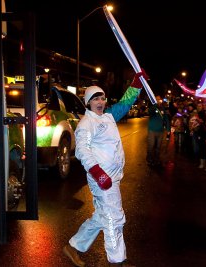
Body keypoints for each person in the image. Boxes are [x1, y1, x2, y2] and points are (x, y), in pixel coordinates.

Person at [63, 71, 147, 267]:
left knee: (102, 216)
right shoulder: (87, 123)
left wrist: (136, 85)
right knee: (115, 218)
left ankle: (72, 247)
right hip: (101, 178)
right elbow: (82, 151)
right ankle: (117, 261)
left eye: (102, 98)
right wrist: (98, 173)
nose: (100, 101)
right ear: (88, 103)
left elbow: (125, 104)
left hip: (113, 176)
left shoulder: (108, 117)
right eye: (95, 99)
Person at [146, 95, 170, 167]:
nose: (158, 100)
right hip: (152, 130)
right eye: (156, 99)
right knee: (151, 145)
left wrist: (168, 129)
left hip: (160, 131)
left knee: (158, 147)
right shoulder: (152, 108)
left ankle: (156, 159)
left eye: (159, 99)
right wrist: (155, 105)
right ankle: (150, 159)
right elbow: (150, 112)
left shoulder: (163, 109)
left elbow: (166, 119)